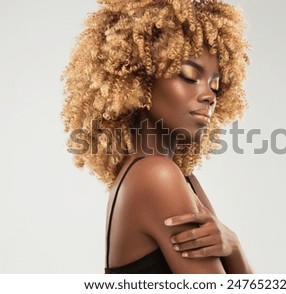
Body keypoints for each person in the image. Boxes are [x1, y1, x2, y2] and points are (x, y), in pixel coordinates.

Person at [61, 0, 252, 273]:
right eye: (189, 75)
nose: (209, 96)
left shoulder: (183, 180)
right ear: (140, 80)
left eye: (215, 84)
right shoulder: (156, 176)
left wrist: (233, 245)